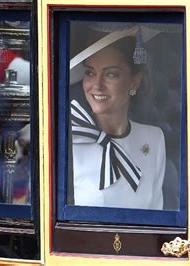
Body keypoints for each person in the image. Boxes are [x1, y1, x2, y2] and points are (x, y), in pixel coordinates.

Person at [69, 25, 166, 210]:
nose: (97, 85)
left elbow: (156, 219)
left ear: (134, 81)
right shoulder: (69, 137)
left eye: (111, 74)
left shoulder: (154, 139)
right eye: (90, 72)